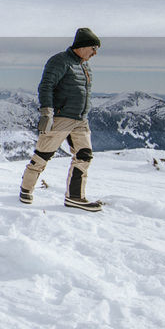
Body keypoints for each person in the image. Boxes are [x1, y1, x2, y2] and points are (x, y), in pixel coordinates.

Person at [19, 27, 103, 211]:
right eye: (93, 48)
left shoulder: (84, 65)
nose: (95, 53)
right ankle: (26, 189)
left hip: (81, 119)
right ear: (82, 46)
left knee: (84, 156)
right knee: (43, 156)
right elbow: (46, 86)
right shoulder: (60, 61)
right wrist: (47, 112)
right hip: (61, 117)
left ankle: (75, 197)